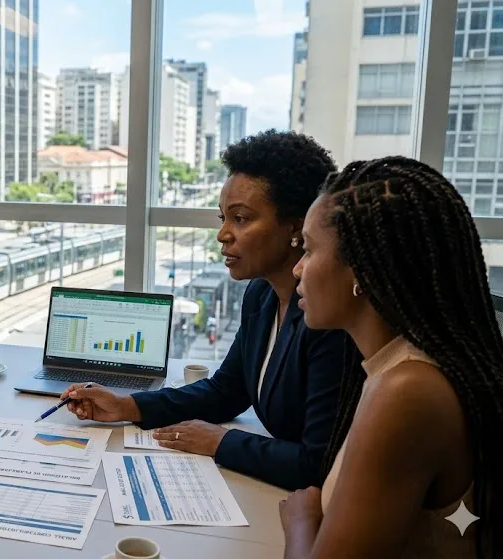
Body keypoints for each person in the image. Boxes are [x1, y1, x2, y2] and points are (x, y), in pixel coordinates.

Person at [62, 130, 360, 490]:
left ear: (296, 226)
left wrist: (221, 442)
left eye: (241, 219)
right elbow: (227, 391)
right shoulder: (261, 295)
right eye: (223, 218)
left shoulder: (330, 319)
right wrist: (127, 406)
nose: (222, 234)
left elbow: (319, 463)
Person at [282, 157, 503, 557]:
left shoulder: (407, 390)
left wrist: (301, 520)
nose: (297, 269)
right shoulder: (395, 365)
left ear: (361, 273)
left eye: (310, 250)